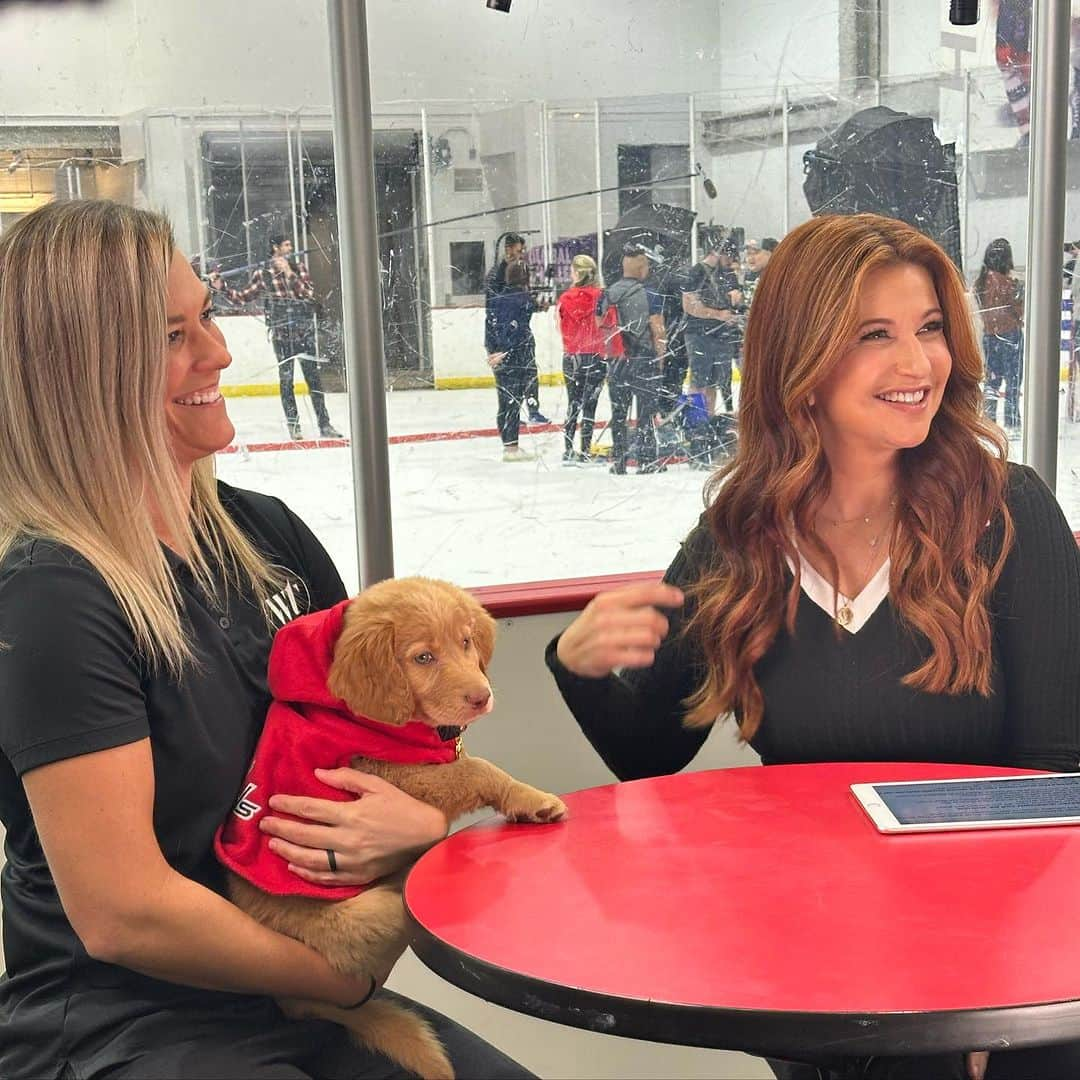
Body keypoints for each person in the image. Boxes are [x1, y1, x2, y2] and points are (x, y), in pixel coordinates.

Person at [0, 199, 534, 1080]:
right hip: (127, 1020)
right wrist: (347, 980)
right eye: (174, 336)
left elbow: (391, 738)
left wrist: (417, 823)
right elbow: (125, 912)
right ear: (81, 375)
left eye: (206, 314)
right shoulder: (51, 598)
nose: (218, 353)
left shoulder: (270, 538)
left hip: (301, 991)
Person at [546, 212, 1080, 1080]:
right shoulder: (744, 535)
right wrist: (575, 663)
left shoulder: (1008, 510)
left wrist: (989, 1003)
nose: (919, 365)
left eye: (931, 328)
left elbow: (1058, 784)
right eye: (877, 335)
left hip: (997, 993)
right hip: (821, 980)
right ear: (802, 356)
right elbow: (650, 754)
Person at [210, 234, 341, 442]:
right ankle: (294, 427)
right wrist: (222, 288)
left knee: (314, 380)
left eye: (290, 245)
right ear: (275, 248)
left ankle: (325, 425)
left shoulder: (298, 268)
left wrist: (288, 272)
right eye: (286, 245)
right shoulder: (263, 274)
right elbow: (242, 298)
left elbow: (307, 294)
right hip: (282, 336)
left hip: (304, 333)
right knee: (286, 382)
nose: (290, 248)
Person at [599, 245, 667, 475]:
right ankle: (647, 461)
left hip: (617, 360)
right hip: (643, 359)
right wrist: (660, 357)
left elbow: (601, 327)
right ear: (640, 266)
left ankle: (619, 460)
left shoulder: (608, 293)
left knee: (618, 413)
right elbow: (657, 330)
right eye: (646, 264)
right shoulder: (650, 294)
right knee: (646, 414)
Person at [485, 232, 548, 424]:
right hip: (504, 334)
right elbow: (502, 305)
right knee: (513, 375)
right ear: (508, 249)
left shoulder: (517, 270)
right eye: (519, 251)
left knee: (526, 372)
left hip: (512, 332)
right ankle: (512, 412)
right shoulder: (498, 274)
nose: (521, 255)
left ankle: (528, 410)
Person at [682, 236, 742, 418]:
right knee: (700, 380)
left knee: (713, 382)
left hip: (721, 334)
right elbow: (689, 305)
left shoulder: (726, 273)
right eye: (728, 257)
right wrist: (717, 314)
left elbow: (736, 299)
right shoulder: (696, 272)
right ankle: (697, 423)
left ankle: (706, 421)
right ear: (718, 253)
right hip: (700, 333)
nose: (730, 262)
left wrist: (736, 301)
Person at [555, 253, 606, 464]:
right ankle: (585, 450)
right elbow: (606, 324)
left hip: (572, 356)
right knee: (590, 404)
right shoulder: (601, 296)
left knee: (573, 402)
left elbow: (559, 325)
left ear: (577, 273)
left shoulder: (565, 299)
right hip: (595, 356)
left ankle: (568, 448)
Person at [486, 259, 539, 462]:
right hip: (516, 354)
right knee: (514, 401)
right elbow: (518, 327)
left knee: (505, 401)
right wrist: (508, 350)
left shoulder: (497, 298)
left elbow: (492, 324)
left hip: (499, 353)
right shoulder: (522, 298)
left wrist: (493, 350)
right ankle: (512, 447)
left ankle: (508, 444)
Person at [974, 237, 1024, 432]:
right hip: (1010, 336)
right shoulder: (1009, 284)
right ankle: (1012, 422)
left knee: (992, 382)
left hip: (990, 337)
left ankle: (989, 422)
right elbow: (1018, 312)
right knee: (1013, 381)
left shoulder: (980, 283)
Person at [741, 236, 778, 307]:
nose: (750, 258)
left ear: (770, 253)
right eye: (748, 253)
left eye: (755, 253)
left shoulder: (779, 277)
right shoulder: (749, 275)